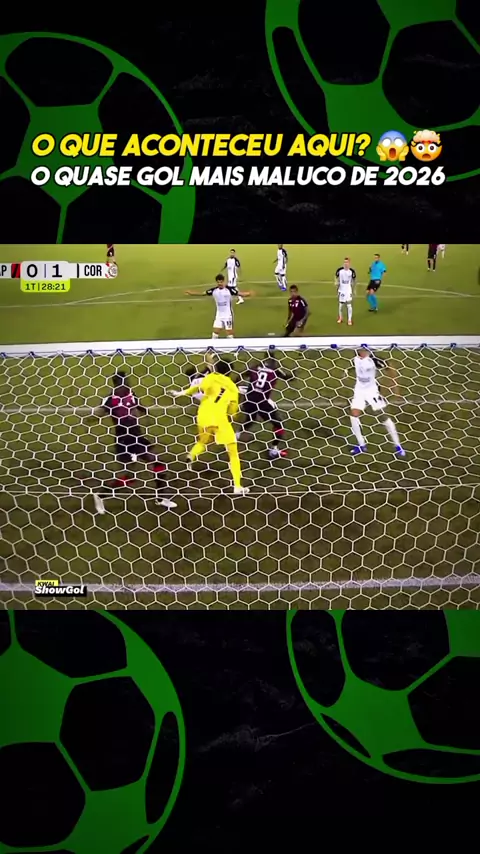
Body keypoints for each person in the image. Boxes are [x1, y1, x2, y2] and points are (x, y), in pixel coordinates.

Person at [88, 371, 176, 511]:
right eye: (124, 382)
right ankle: (100, 495)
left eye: (127, 382)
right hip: (124, 440)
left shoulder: (131, 394)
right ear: (117, 384)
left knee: (158, 464)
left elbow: (138, 406)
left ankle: (161, 499)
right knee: (129, 478)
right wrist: (90, 417)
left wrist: (145, 414)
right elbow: (98, 413)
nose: (127, 384)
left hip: (137, 437)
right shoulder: (110, 399)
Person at [173, 361, 249, 495]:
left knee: (203, 441)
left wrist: (182, 393)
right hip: (221, 421)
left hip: (203, 417)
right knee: (233, 454)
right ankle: (237, 486)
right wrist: (232, 414)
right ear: (230, 371)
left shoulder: (211, 377)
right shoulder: (233, 387)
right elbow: (233, 410)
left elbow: (199, 387)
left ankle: (191, 455)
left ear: (216, 368)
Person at [347, 349, 405, 457]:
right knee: (354, 415)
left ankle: (398, 445)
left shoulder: (374, 359)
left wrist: (395, 386)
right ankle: (361, 445)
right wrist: (348, 371)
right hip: (359, 391)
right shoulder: (355, 358)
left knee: (383, 417)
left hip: (372, 392)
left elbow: (390, 368)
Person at [238, 356, 293, 456]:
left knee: (251, 419)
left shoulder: (255, 367)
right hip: (262, 402)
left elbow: (241, 375)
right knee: (278, 424)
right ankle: (273, 450)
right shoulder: (275, 370)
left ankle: (236, 435)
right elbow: (288, 378)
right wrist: (293, 373)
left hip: (249, 399)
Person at [185, 274, 251, 339]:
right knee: (215, 333)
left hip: (228, 315)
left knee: (229, 333)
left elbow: (241, 294)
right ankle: (213, 345)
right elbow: (202, 294)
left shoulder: (229, 290)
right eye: (218, 282)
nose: (220, 283)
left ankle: (231, 345)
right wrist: (191, 293)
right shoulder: (214, 290)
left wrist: (249, 293)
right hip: (219, 315)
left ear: (224, 281)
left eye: (221, 282)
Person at [335, 257, 356, 325]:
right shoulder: (340, 270)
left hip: (348, 290)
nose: (345, 263)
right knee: (341, 306)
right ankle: (340, 318)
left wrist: (354, 290)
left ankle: (349, 320)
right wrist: (336, 285)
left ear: (349, 263)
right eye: (344, 262)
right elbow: (336, 278)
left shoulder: (352, 271)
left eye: (347, 262)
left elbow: (354, 280)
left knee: (349, 305)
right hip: (341, 290)